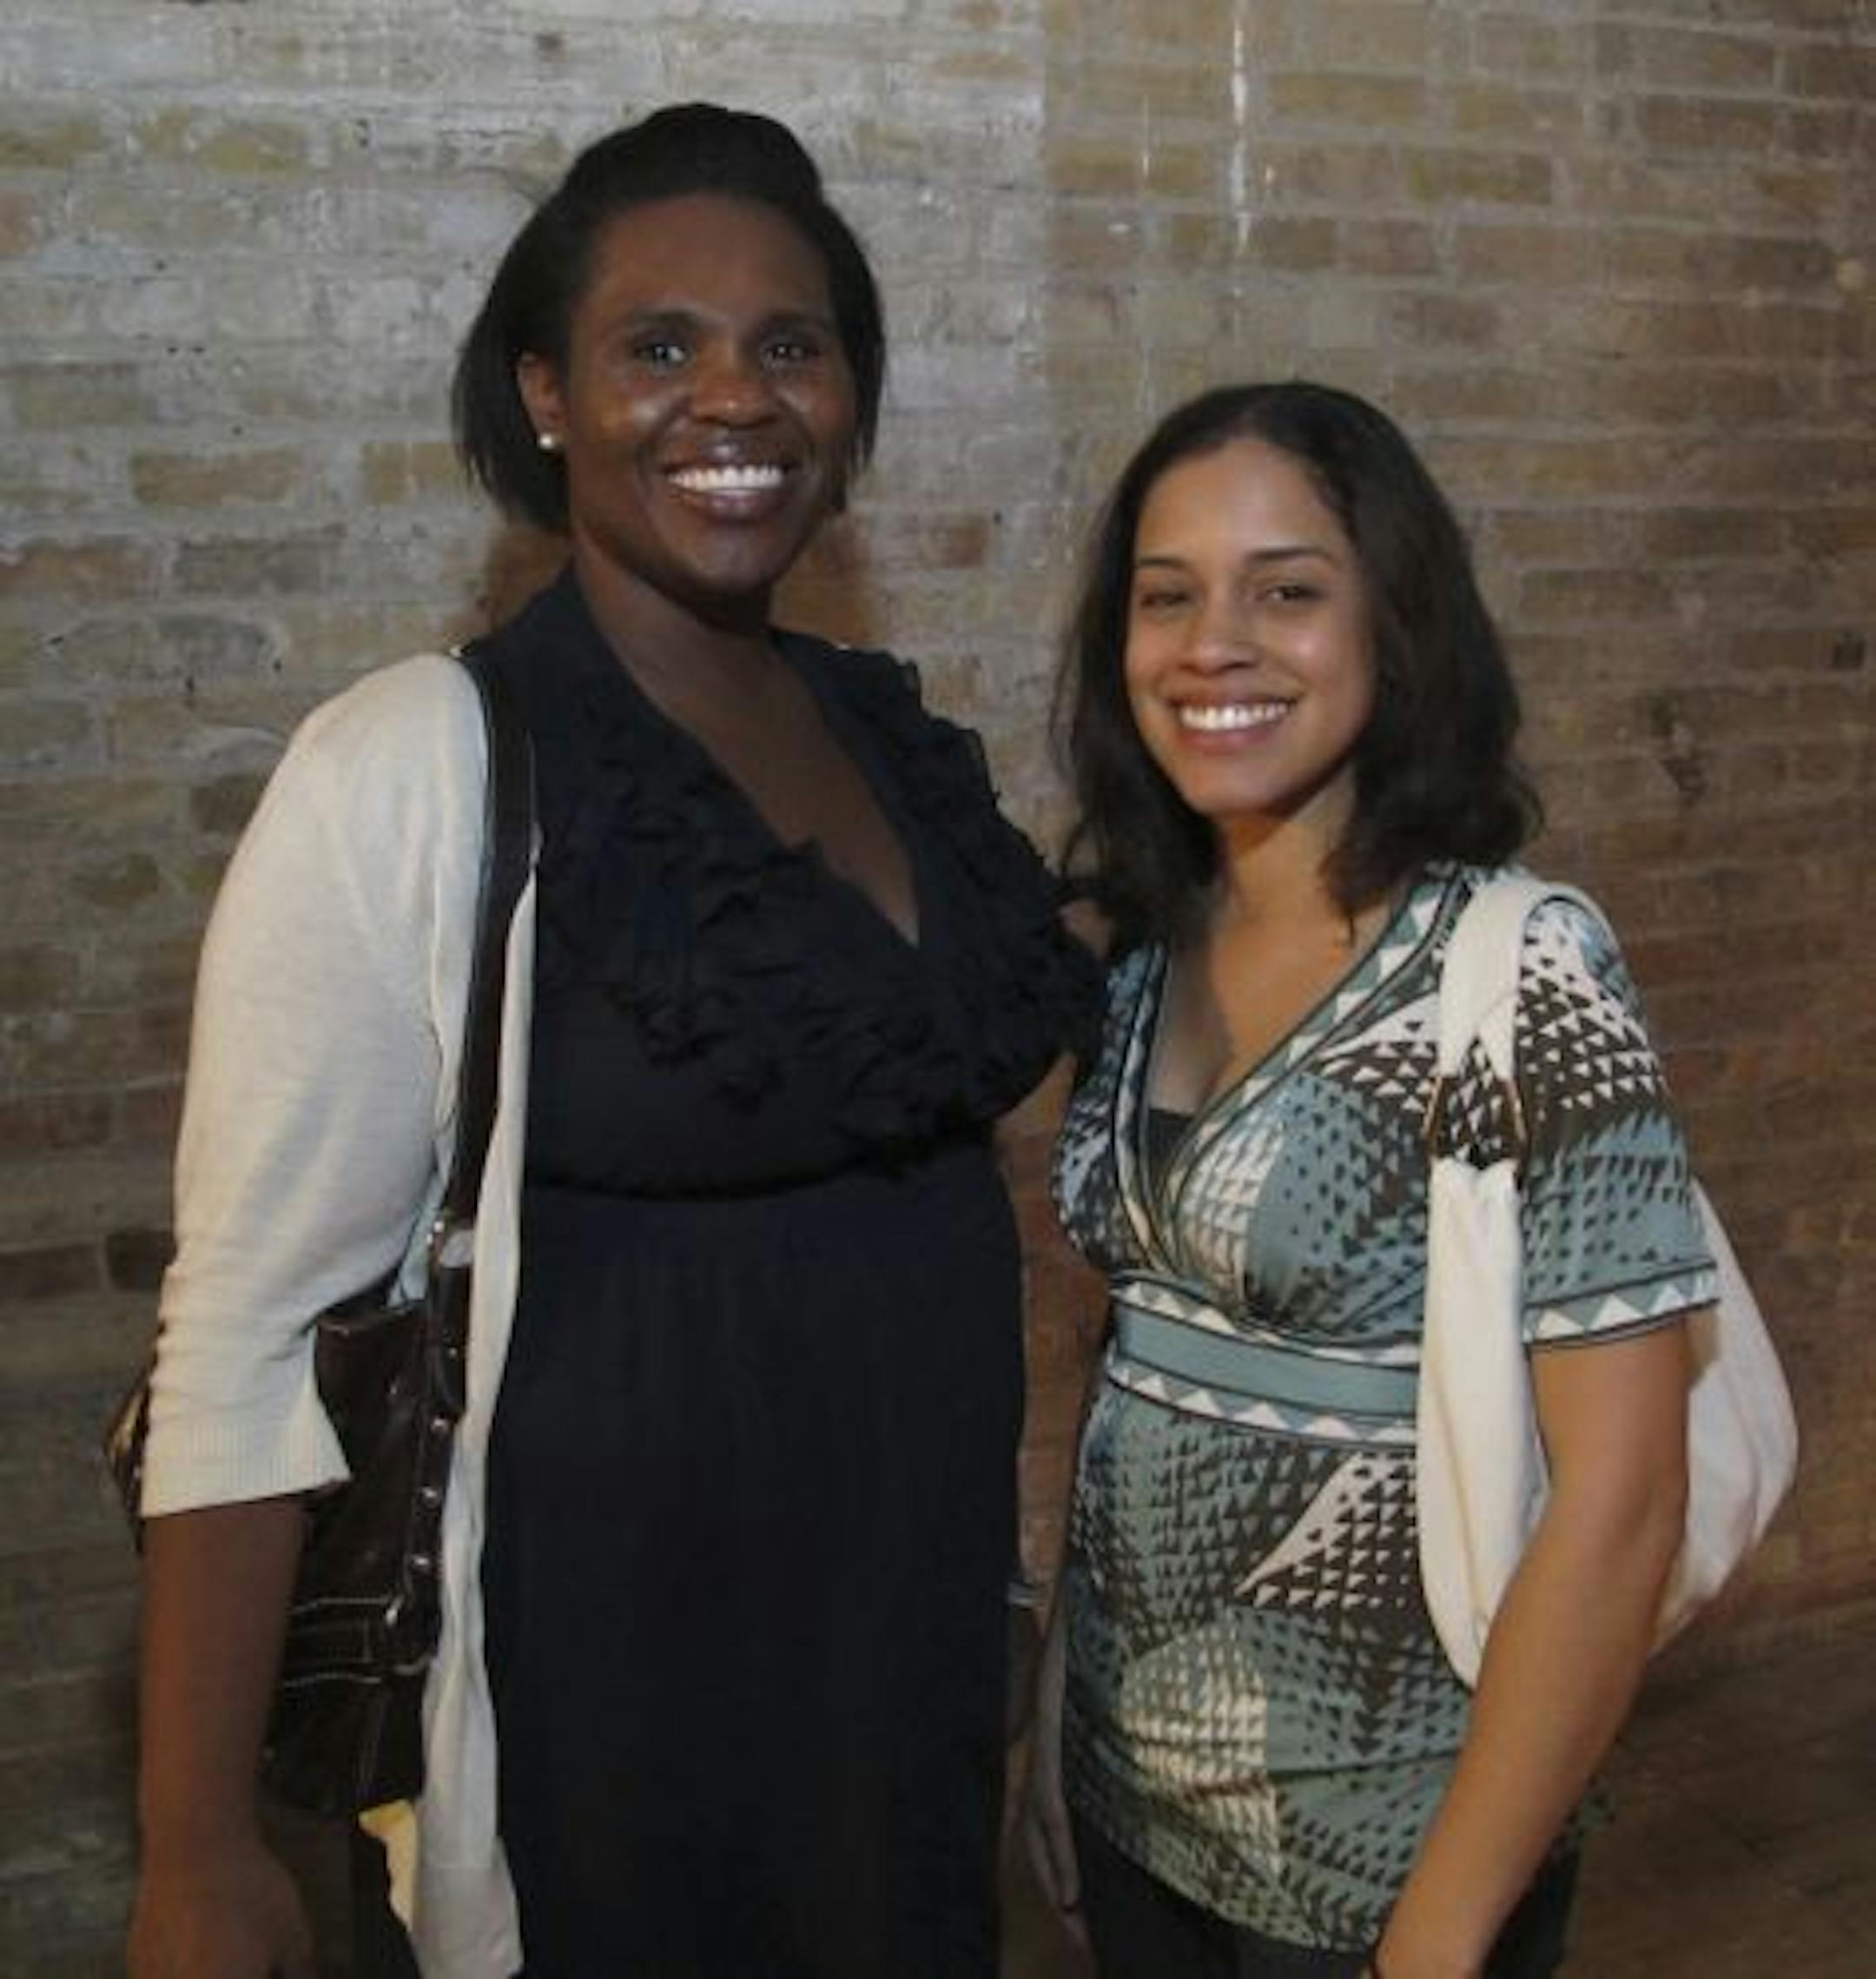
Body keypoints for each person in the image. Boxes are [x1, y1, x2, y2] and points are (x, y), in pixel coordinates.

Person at [128, 103, 1100, 1979]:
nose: (734, 396)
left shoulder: (889, 736)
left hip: (901, 1661)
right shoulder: (418, 762)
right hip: (610, 1702)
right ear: (547, 395)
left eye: (791, 344)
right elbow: (246, 1327)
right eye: (659, 345)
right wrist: (195, 1846)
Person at [1026, 381, 1715, 1979]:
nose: (1213, 645)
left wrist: (1441, 1933)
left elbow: (1623, 1502)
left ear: (1394, 628)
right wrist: (1064, 1703)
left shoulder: (1521, 965)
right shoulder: (1145, 949)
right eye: (1166, 596)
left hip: (1392, 1848)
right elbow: (1141, 1362)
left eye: (1286, 591)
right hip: (1134, 1803)